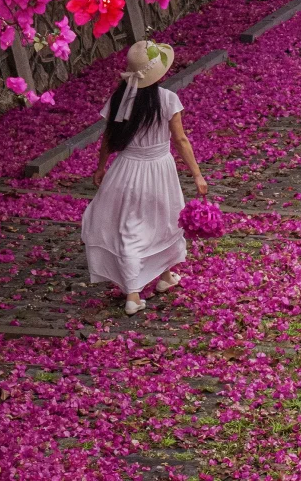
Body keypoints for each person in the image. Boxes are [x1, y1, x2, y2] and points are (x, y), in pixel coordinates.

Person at [81, 39, 208, 315]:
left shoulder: (119, 99)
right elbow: (181, 140)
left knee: (130, 228)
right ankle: (135, 293)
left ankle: (156, 281)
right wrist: (197, 174)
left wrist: (101, 167)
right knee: (163, 223)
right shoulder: (167, 99)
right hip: (159, 171)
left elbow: (108, 140)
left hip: (125, 170)